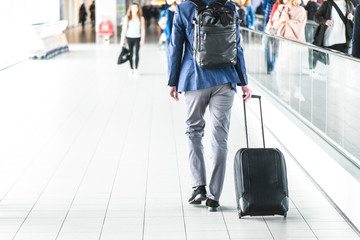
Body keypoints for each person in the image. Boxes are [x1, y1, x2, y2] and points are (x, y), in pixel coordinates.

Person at [168, 0, 252, 211]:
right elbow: (237, 46)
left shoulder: (185, 8)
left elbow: (175, 46)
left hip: (194, 79)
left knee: (194, 131)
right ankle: (214, 197)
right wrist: (244, 82)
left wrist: (173, 81)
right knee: (219, 138)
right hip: (225, 79)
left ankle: (199, 187)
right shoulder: (230, 6)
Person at [120, 2, 146, 75]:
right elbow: (124, 29)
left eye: (136, 7)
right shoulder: (127, 18)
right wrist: (122, 40)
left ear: (138, 9)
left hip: (137, 38)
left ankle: (136, 68)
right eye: (133, 7)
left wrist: (143, 39)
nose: (135, 9)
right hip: (129, 38)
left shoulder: (141, 18)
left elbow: (143, 29)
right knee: (131, 53)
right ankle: (131, 68)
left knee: (136, 53)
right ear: (130, 9)